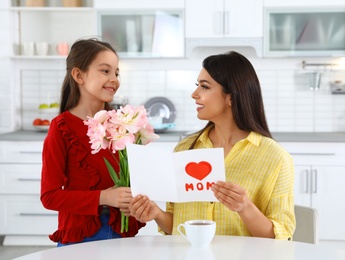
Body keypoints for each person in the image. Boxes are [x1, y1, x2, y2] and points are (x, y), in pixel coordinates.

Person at [128, 51, 296, 240]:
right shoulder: (186, 148)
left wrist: (245, 207)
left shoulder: (275, 158)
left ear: (231, 97)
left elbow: (281, 238)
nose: (194, 94)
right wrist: (157, 214)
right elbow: (176, 228)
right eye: (197, 86)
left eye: (204, 87)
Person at [40, 38, 145, 246]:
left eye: (116, 73)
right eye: (105, 71)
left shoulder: (122, 123)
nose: (114, 79)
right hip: (81, 236)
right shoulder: (61, 128)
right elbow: (49, 197)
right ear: (79, 75)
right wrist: (104, 198)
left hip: (122, 232)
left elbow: (133, 179)